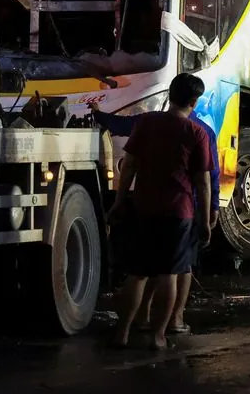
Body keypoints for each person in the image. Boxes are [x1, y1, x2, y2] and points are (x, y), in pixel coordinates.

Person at [92, 99, 220, 336]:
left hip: (144, 207)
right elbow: (207, 180)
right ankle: (167, 328)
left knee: (138, 272)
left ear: (171, 96)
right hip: (181, 212)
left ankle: (126, 330)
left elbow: (128, 161)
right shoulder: (201, 132)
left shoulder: (147, 122)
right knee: (175, 272)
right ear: (194, 101)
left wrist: (120, 202)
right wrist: (209, 214)